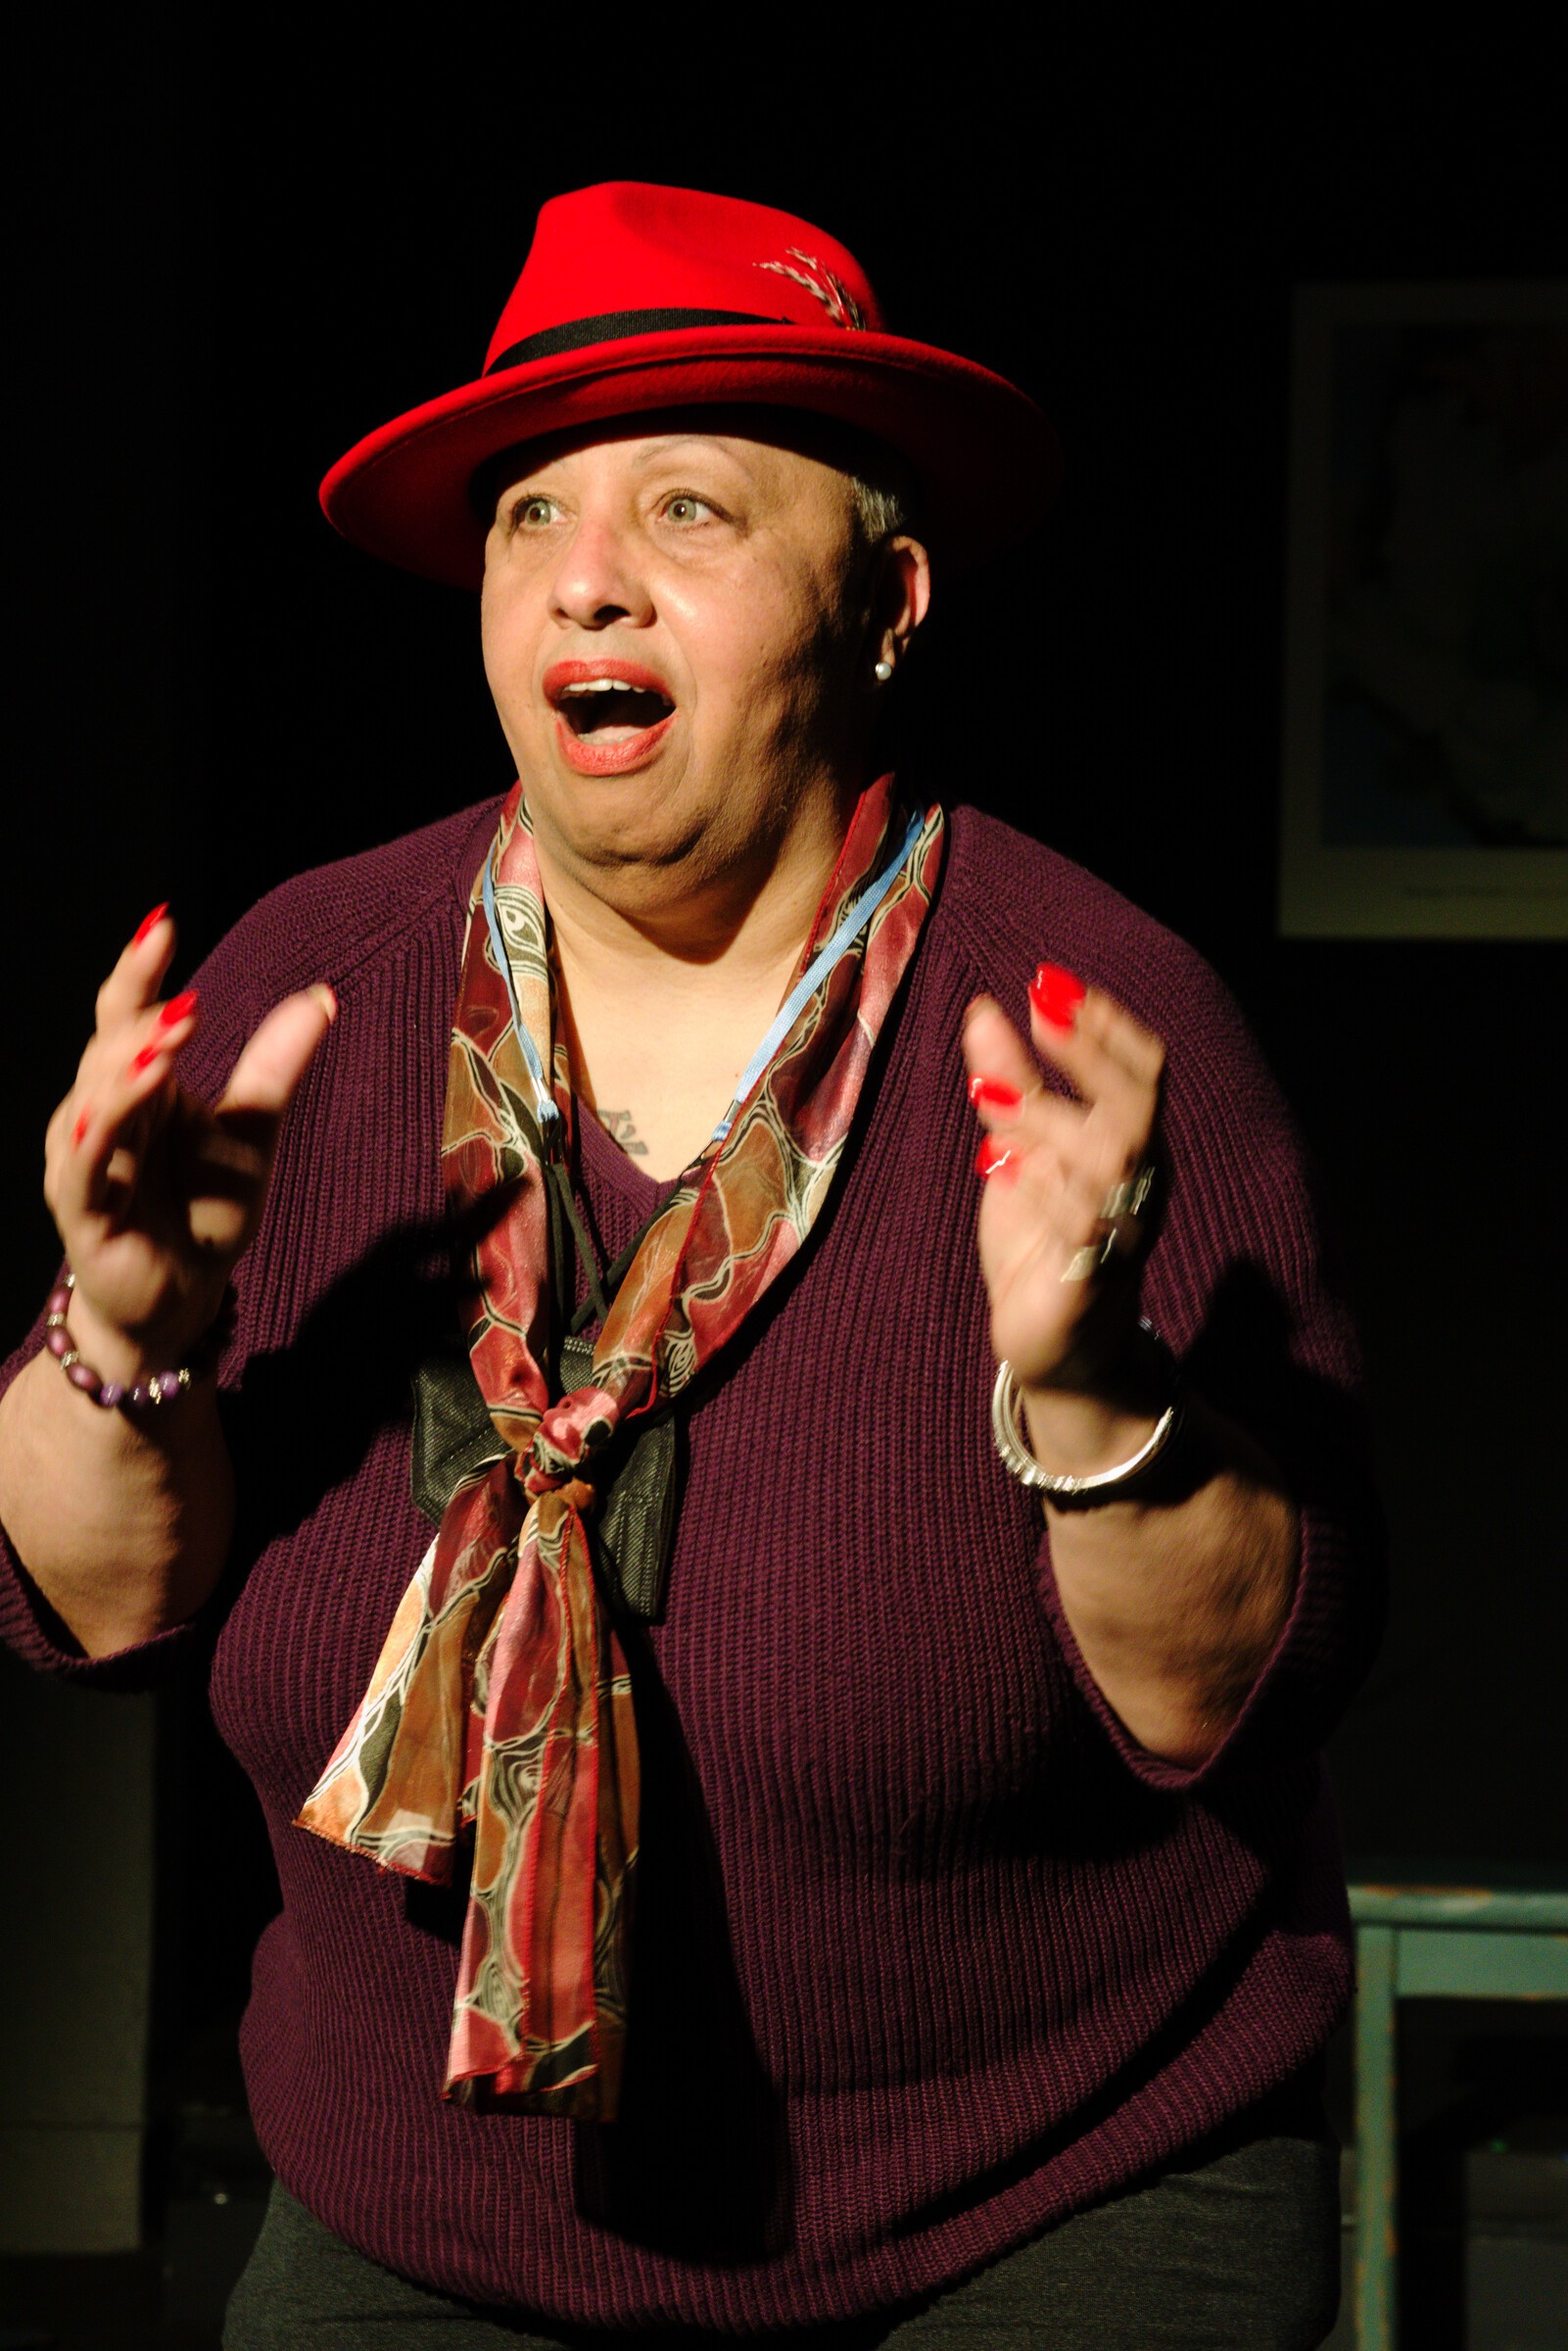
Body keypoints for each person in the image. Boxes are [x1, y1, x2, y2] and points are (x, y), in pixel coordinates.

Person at [0, 182, 1381, 2348]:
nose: (588, 575)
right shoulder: (315, 993)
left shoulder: (1088, 1028)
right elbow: (95, 1608)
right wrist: (119, 1335)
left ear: (888, 599)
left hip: (1031, 2209)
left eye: (689, 508)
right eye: (530, 514)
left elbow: (1231, 1698)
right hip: (422, 2224)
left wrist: (1091, 1395)